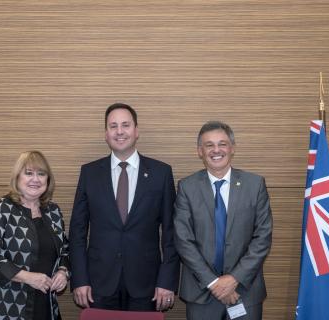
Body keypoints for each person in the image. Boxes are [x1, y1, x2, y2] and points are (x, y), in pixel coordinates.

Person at [69, 103, 179, 312]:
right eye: (113, 126)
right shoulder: (89, 173)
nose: (120, 131)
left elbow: (171, 233)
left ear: (136, 131)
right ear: (106, 133)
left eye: (126, 125)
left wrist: (167, 280)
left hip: (146, 284)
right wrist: (80, 279)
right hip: (98, 284)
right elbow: (77, 232)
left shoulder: (161, 173)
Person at [173, 121, 273, 320]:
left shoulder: (254, 185)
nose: (216, 150)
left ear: (232, 148)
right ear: (200, 151)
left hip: (245, 290)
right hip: (201, 292)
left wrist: (234, 279)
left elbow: (263, 237)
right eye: (209, 145)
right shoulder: (187, 187)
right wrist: (214, 283)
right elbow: (183, 240)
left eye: (222, 144)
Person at [0, 151, 70, 320]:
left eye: (41, 174)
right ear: (17, 177)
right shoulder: (0, 209)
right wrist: (28, 278)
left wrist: (63, 272)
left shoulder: (53, 212)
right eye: (29, 173)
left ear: (47, 180)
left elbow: (65, 249)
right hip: (8, 306)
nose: (35, 179)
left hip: (46, 305)